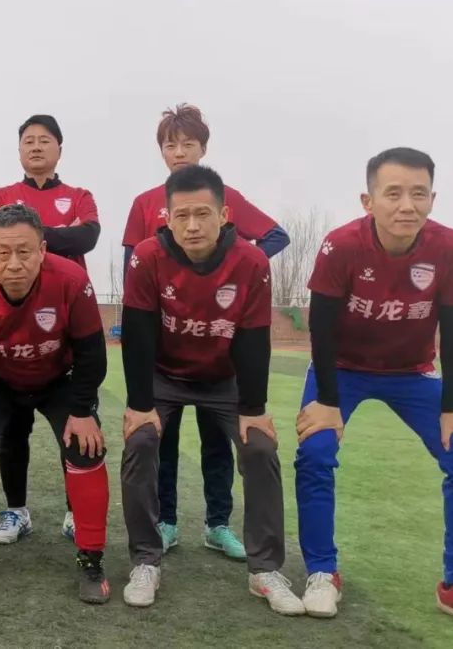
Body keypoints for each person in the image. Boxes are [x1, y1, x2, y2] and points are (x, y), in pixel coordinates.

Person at [294, 147, 453, 620]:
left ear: (432, 199)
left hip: (411, 372)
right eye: (393, 193)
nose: (406, 205)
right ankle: (322, 572)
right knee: (315, 452)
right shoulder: (341, 245)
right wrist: (327, 401)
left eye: (418, 193)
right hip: (343, 368)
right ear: (368, 201)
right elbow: (321, 329)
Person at [119, 165, 304, 615]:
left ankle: (264, 570)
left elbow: (253, 338)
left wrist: (254, 409)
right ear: (167, 218)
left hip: (224, 378)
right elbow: (139, 333)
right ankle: (145, 560)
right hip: (165, 376)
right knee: (140, 441)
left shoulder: (251, 261)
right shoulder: (147, 256)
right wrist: (140, 404)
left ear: (224, 215)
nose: (192, 225)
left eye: (203, 214)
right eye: (181, 215)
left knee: (260, 448)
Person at [0, 204, 111, 604]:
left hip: (58, 377)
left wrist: (82, 411)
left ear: (43, 250)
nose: (14, 263)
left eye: (25, 252)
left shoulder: (71, 281)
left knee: (86, 446)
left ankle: (91, 558)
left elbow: (92, 353)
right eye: (3, 253)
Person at [0, 114, 99, 543]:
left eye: (44, 140)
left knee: (76, 428)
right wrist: (54, 236)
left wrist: (31, 235)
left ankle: (75, 511)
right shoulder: (1, 195)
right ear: (19, 150)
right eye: (28, 141)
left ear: (59, 149)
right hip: (13, 325)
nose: (36, 147)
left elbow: (87, 238)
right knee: (13, 431)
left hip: (66, 323)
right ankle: (16, 512)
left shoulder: (79, 195)